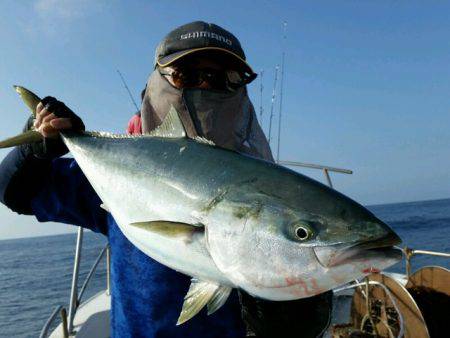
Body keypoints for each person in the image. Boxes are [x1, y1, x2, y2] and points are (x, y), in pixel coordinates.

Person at [0, 21, 331, 337]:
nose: (203, 86)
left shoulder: (277, 195)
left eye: (220, 78)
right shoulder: (118, 175)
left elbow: (298, 326)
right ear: (157, 83)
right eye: (186, 75)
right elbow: (12, 192)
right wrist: (35, 149)